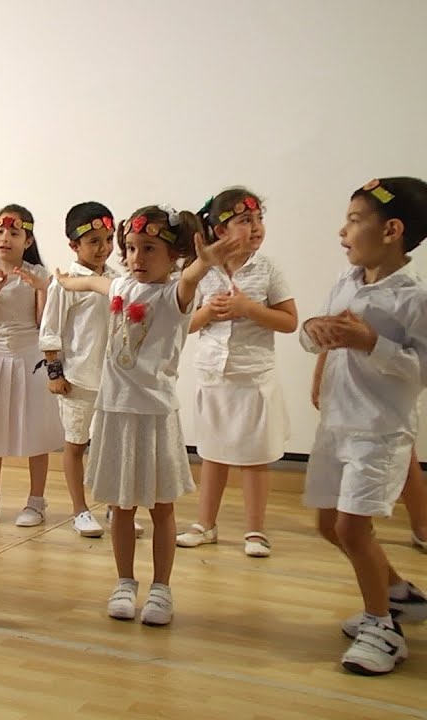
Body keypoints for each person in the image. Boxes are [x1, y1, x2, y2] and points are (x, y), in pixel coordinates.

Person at [55, 203, 247, 627]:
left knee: (161, 508)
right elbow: (96, 282)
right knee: (121, 507)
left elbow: (192, 277)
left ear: (174, 255)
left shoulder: (175, 294)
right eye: (131, 248)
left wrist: (203, 262)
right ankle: (125, 581)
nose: (137, 258)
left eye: (149, 249)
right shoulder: (124, 285)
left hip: (155, 417)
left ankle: (161, 587)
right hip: (115, 412)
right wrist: (69, 280)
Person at [300, 177, 427, 675]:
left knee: (354, 529)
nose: (343, 230)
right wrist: (315, 337)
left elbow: (421, 369)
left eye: (355, 220)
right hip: (337, 424)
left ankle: (383, 629)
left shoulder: (413, 298)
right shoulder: (346, 281)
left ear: (392, 229)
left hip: (379, 431)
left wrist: (373, 341)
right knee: (330, 525)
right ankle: (398, 594)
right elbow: (330, 337)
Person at [178, 188, 297, 557]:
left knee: (254, 458)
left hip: (253, 377)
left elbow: (289, 321)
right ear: (218, 231)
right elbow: (185, 324)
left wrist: (248, 307)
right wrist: (208, 313)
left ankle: (255, 531)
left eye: (258, 219)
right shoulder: (202, 273)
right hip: (214, 376)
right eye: (245, 221)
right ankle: (205, 524)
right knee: (212, 453)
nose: (256, 227)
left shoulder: (269, 269)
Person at [0, 205, 62, 527]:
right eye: (0, 232)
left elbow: (43, 323)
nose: (5, 238)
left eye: (14, 233)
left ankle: (36, 501)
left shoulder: (39, 275)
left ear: (28, 239)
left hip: (30, 357)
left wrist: (40, 289)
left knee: (36, 428)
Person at [38, 203, 119, 537]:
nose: (103, 248)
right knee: (75, 444)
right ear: (74, 245)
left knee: (112, 444)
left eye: (109, 239)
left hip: (113, 379)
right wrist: (55, 374)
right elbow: (50, 330)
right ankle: (80, 510)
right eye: (94, 241)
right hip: (78, 380)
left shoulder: (115, 279)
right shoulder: (66, 283)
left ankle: (117, 505)